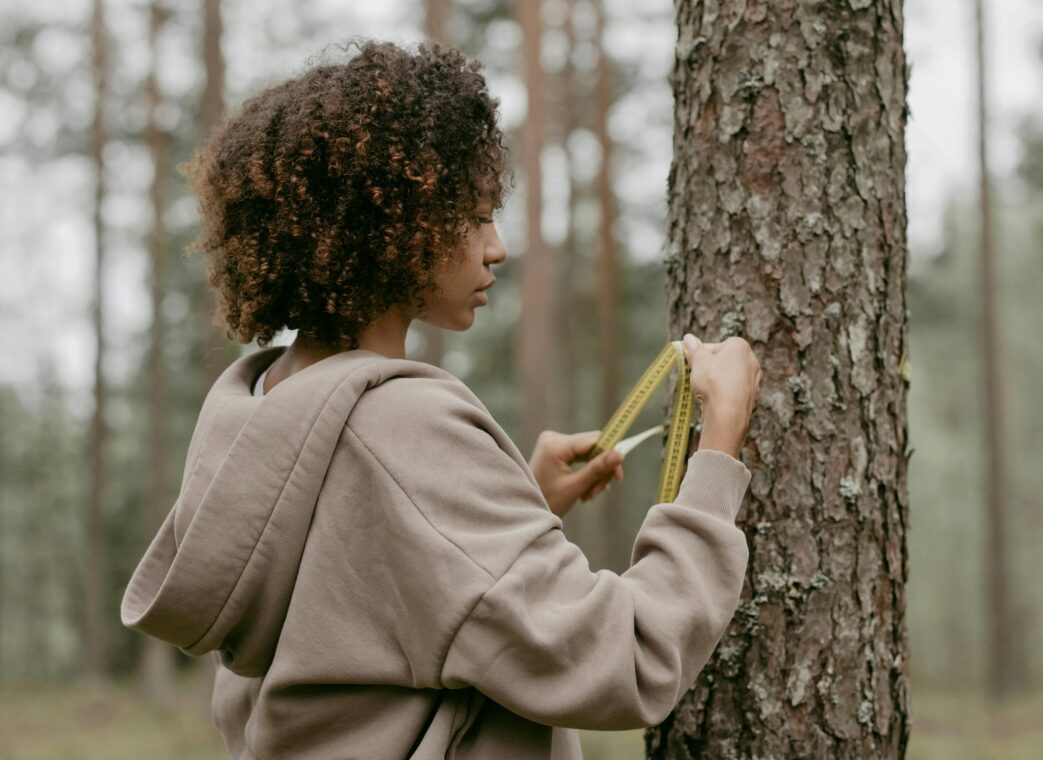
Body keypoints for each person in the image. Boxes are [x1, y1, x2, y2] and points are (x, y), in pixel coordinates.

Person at [120, 39, 763, 760]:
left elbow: (365, 601)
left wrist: (526, 499)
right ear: (390, 226)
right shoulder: (404, 425)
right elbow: (626, 656)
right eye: (475, 215)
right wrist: (718, 449)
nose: (498, 248)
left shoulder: (267, 407)